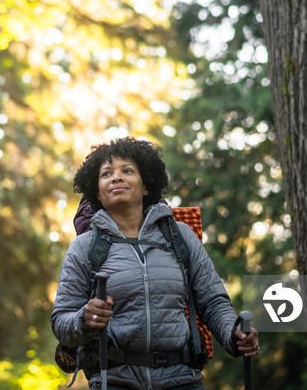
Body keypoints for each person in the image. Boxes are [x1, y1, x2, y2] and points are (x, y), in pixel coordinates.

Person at [51, 137, 259, 390]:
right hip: (114, 381)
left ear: (146, 186)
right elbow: (61, 320)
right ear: (97, 192)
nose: (116, 178)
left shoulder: (180, 236)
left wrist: (233, 334)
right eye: (107, 174)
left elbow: (212, 300)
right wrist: (85, 320)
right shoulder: (84, 247)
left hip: (182, 379)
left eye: (127, 171)